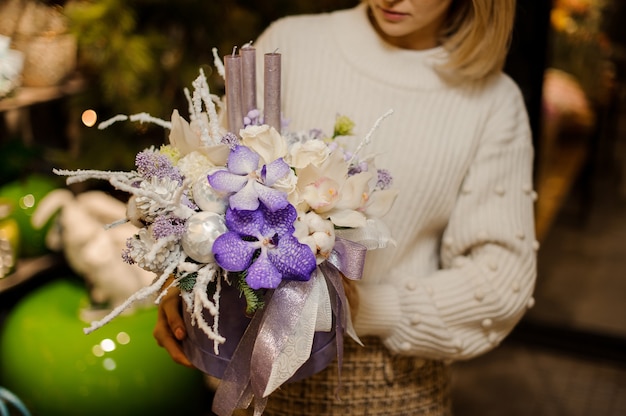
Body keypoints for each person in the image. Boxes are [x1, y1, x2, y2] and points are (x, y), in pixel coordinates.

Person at [153, 0, 538, 414]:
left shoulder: (493, 102)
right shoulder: (289, 44)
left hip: (388, 387)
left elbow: (501, 283)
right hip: (250, 379)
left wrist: (365, 307)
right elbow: (208, 185)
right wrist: (184, 282)